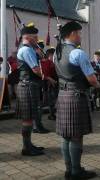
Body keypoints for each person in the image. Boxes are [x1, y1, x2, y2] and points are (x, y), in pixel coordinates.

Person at [54, 21, 99, 180]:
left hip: (62, 95)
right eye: (79, 33)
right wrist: (97, 84)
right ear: (72, 34)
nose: (80, 36)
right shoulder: (78, 53)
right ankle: (76, 171)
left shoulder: (57, 52)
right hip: (76, 96)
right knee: (76, 135)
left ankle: (69, 170)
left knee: (66, 135)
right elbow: (92, 79)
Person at [16, 23, 45, 156]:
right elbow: (35, 70)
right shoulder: (27, 50)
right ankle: (26, 148)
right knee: (27, 119)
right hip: (27, 85)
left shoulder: (27, 49)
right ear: (28, 37)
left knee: (29, 118)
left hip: (27, 85)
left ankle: (28, 145)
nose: (37, 39)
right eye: (35, 36)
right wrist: (44, 76)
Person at [45, 47, 59, 120]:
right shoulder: (48, 63)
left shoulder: (53, 62)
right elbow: (47, 74)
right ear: (50, 55)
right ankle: (52, 114)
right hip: (51, 84)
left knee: (54, 99)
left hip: (55, 82)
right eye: (53, 55)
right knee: (52, 100)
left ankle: (53, 114)